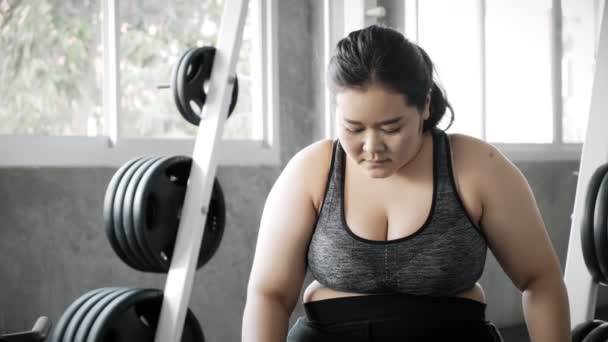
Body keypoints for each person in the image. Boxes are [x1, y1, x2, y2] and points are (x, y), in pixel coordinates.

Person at [242, 25, 570, 342]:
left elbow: (539, 280)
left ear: (425, 105)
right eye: (353, 128)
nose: (371, 147)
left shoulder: (476, 167)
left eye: (391, 128)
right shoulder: (312, 170)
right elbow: (269, 295)